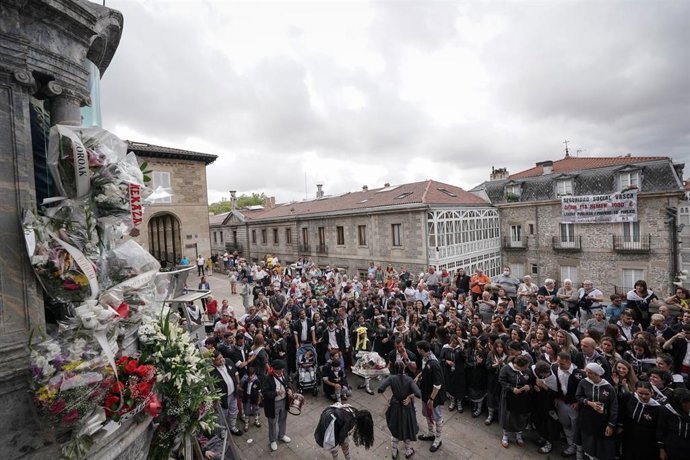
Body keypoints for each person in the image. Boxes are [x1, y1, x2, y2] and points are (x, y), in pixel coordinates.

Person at [378, 361, 421, 459]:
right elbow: (418, 394)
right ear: (404, 368)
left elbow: (380, 389)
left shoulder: (391, 378)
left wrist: (387, 400)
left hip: (394, 406)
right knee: (407, 429)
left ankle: (394, 452)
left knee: (395, 428)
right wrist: (410, 396)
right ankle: (408, 451)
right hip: (406, 408)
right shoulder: (409, 380)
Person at [575, 362, 618, 460]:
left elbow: (614, 407)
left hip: (601, 420)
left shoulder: (608, 387)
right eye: (587, 372)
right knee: (586, 441)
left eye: (590, 373)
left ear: (597, 374)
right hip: (586, 417)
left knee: (598, 444)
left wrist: (611, 425)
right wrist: (589, 403)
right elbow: (578, 396)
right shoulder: (583, 382)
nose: (587, 374)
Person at [415, 340, 444, 453]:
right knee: (427, 414)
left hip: (434, 396)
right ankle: (431, 433)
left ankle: (438, 439)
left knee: (437, 417)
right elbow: (424, 370)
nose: (417, 350)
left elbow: (438, 384)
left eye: (418, 348)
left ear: (422, 350)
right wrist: (419, 376)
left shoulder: (434, 364)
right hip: (425, 392)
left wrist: (431, 399)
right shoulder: (426, 358)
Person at [618, 381, 660, 460]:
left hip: (646, 438)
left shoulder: (657, 407)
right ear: (635, 390)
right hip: (629, 433)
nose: (643, 396)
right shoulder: (629, 398)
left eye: (647, 394)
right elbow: (622, 412)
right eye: (640, 393)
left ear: (652, 393)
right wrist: (620, 426)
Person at [498, 354, 532, 448]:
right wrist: (512, 388)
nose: (527, 368)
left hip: (522, 398)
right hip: (509, 397)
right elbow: (501, 381)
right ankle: (505, 435)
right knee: (508, 416)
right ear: (519, 365)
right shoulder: (506, 369)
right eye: (525, 367)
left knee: (520, 417)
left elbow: (530, 381)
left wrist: (529, 386)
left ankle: (519, 435)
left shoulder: (527, 370)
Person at [261, 359, 292, 452]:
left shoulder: (284, 373)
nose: (282, 371)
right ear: (274, 369)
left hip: (284, 401)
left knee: (283, 419)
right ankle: (273, 440)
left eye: (282, 369)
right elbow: (264, 393)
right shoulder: (267, 378)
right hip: (273, 404)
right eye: (280, 370)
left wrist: (289, 389)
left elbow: (287, 383)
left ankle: (281, 435)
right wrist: (275, 393)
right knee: (272, 422)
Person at [211, 351, 243, 436]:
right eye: (218, 359)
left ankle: (232, 427)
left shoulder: (228, 361)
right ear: (213, 362)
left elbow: (236, 373)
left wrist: (238, 383)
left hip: (233, 394)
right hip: (223, 398)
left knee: (234, 411)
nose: (221, 360)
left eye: (221, 357)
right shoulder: (211, 371)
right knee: (222, 415)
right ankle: (223, 431)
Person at [657, 388, 690, 460]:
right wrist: (661, 449)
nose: (688, 405)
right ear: (677, 403)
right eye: (685, 403)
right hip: (672, 449)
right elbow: (660, 430)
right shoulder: (666, 411)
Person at [240, 365, 262, 431]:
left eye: (251, 375)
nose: (250, 377)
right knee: (246, 411)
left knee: (255, 410)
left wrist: (259, 399)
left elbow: (259, 391)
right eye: (249, 375)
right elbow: (243, 389)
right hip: (247, 398)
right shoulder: (246, 381)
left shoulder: (257, 381)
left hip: (254, 398)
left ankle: (256, 421)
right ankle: (246, 423)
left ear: (254, 374)